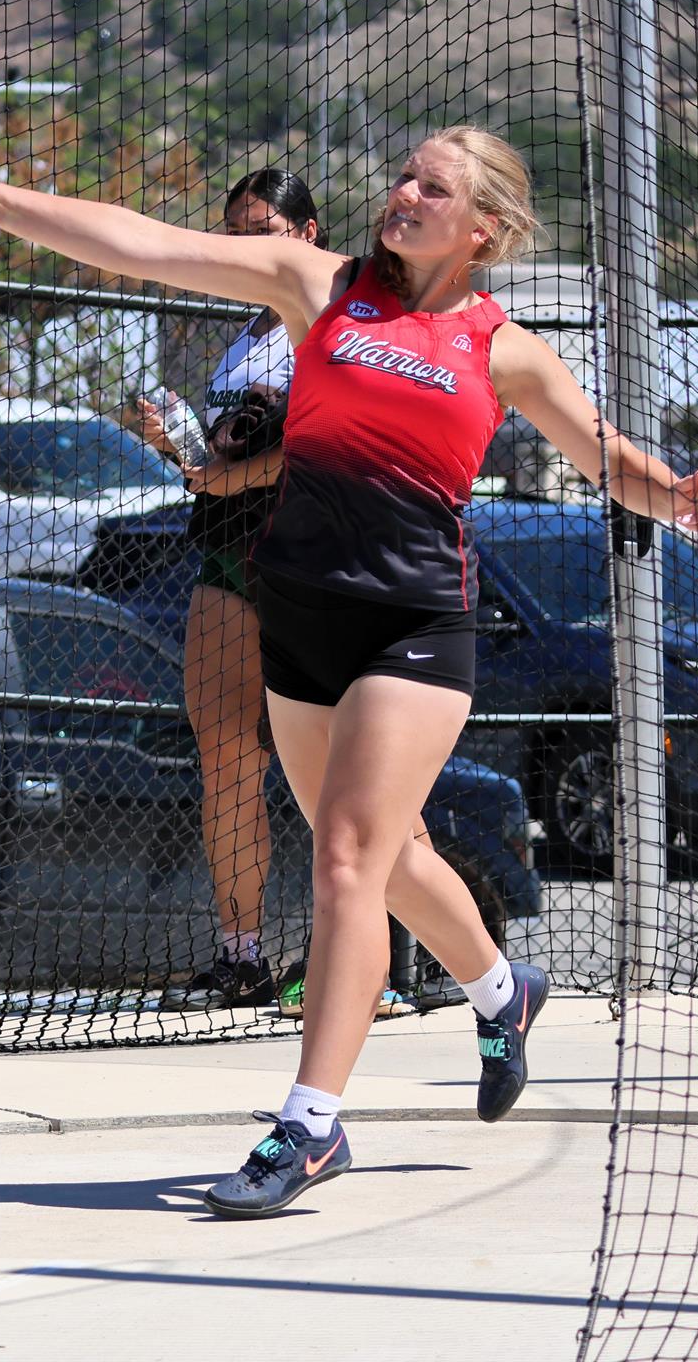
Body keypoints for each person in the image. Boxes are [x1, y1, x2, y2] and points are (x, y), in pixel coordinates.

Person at [0, 126, 698, 1219]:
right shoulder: (321, 285)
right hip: (297, 619)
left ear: (479, 225)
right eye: (401, 176)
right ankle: (503, 987)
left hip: (416, 630)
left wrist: (673, 494)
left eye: (429, 187)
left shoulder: (501, 347)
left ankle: (308, 1123)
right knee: (383, 856)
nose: (401, 194)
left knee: (345, 855)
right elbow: (147, 245)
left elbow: (605, 454)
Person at [138, 169, 413, 1019]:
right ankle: (241, 956)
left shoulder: (331, 315)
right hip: (229, 556)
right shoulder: (243, 333)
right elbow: (226, 466)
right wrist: (183, 450)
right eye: (229, 232)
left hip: (313, 558)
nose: (241, 245)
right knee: (224, 753)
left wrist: (233, 476)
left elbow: (324, 444)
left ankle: (394, 962)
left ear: (306, 232)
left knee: (350, 771)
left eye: (259, 228)